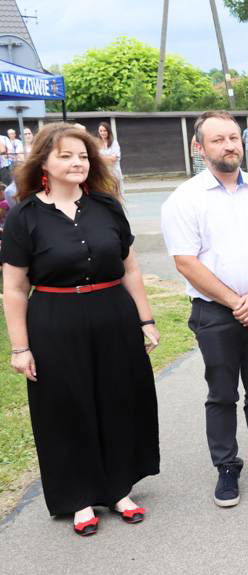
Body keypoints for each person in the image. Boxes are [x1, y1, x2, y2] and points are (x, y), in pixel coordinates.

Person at [1, 123, 160, 535]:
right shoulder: (25, 215)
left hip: (114, 316)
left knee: (117, 400)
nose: (77, 163)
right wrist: (21, 348)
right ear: (44, 163)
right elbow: (15, 288)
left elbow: (131, 267)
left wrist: (146, 319)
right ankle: (79, 497)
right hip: (55, 320)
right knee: (66, 409)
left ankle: (119, 489)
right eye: (66, 155)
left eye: (83, 156)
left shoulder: (106, 206)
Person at [161, 111, 248, 507]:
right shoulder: (184, 199)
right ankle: (226, 467)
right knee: (222, 393)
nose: (229, 145)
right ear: (199, 147)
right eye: (219, 139)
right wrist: (236, 302)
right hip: (215, 313)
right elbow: (186, 261)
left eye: (234, 137)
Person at [97, 122, 124, 196]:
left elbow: (113, 159)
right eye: (101, 131)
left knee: (117, 194)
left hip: (114, 173)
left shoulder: (114, 143)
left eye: (105, 130)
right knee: (105, 194)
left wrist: (101, 158)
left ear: (108, 131)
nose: (102, 133)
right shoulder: (97, 143)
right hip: (103, 174)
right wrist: (106, 159)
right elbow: (96, 159)